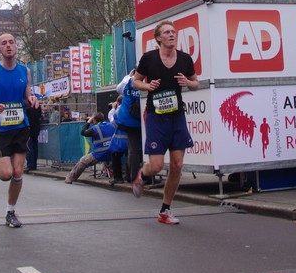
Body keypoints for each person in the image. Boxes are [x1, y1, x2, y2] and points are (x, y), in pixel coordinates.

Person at [132, 20, 199, 225]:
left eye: (173, 32)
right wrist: (147, 86)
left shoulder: (185, 59)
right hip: (156, 117)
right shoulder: (149, 58)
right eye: (167, 32)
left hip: (177, 117)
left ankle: (165, 210)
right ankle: (143, 175)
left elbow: (196, 83)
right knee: (157, 165)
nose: (171, 35)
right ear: (158, 38)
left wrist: (187, 83)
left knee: (177, 165)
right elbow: (135, 81)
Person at [0, 33, 38, 228]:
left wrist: (32, 99)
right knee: (6, 174)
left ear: (16, 46)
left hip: (21, 126)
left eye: (11, 42)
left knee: (18, 172)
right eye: (4, 43)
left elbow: (27, 96)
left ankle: (10, 212)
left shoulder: (24, 71)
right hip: (0, 129)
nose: (8, 46)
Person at [64, 112, 116, 183]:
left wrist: (88, 122)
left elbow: (83, 132)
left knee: (83, 161)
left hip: (99, 154)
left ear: (94, 120)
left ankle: (70, 177)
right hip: (112, 152)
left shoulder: (95, 128)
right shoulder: (111, 125)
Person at [114, 68, 143, 184]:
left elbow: (118, 89)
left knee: (132, 150)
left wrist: (129, 75)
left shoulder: (129, 81)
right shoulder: (148, 81)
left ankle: (133, 176)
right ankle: (147, 175)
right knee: (146, 148)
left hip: (130, 121)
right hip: (144, 119)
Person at [25, 100, 42, 172]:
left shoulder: (27, 108)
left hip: (29, 129)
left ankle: (30, 164)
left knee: (30, 147)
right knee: (34, 147)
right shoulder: (37, 107)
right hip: (36, 128)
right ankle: (34, 164)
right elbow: (39, 116)